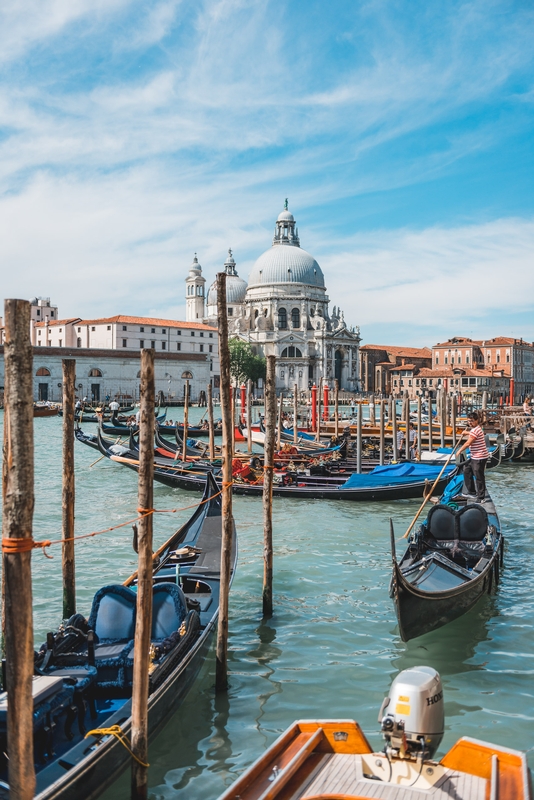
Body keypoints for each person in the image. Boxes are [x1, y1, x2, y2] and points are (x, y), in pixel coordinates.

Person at [457, 411, 489, 502]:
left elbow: (468, 443)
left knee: (479, 476)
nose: (470, 423)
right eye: (468, 421)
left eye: (471, 421)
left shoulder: (476, 430)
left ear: (476, 421)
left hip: (480, 457)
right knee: (467, 471)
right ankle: (471, 492)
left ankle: (481, 497)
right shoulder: (475, 429)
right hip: (474, 456)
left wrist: (459, 451)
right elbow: (472, 433)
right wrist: (466, 432)